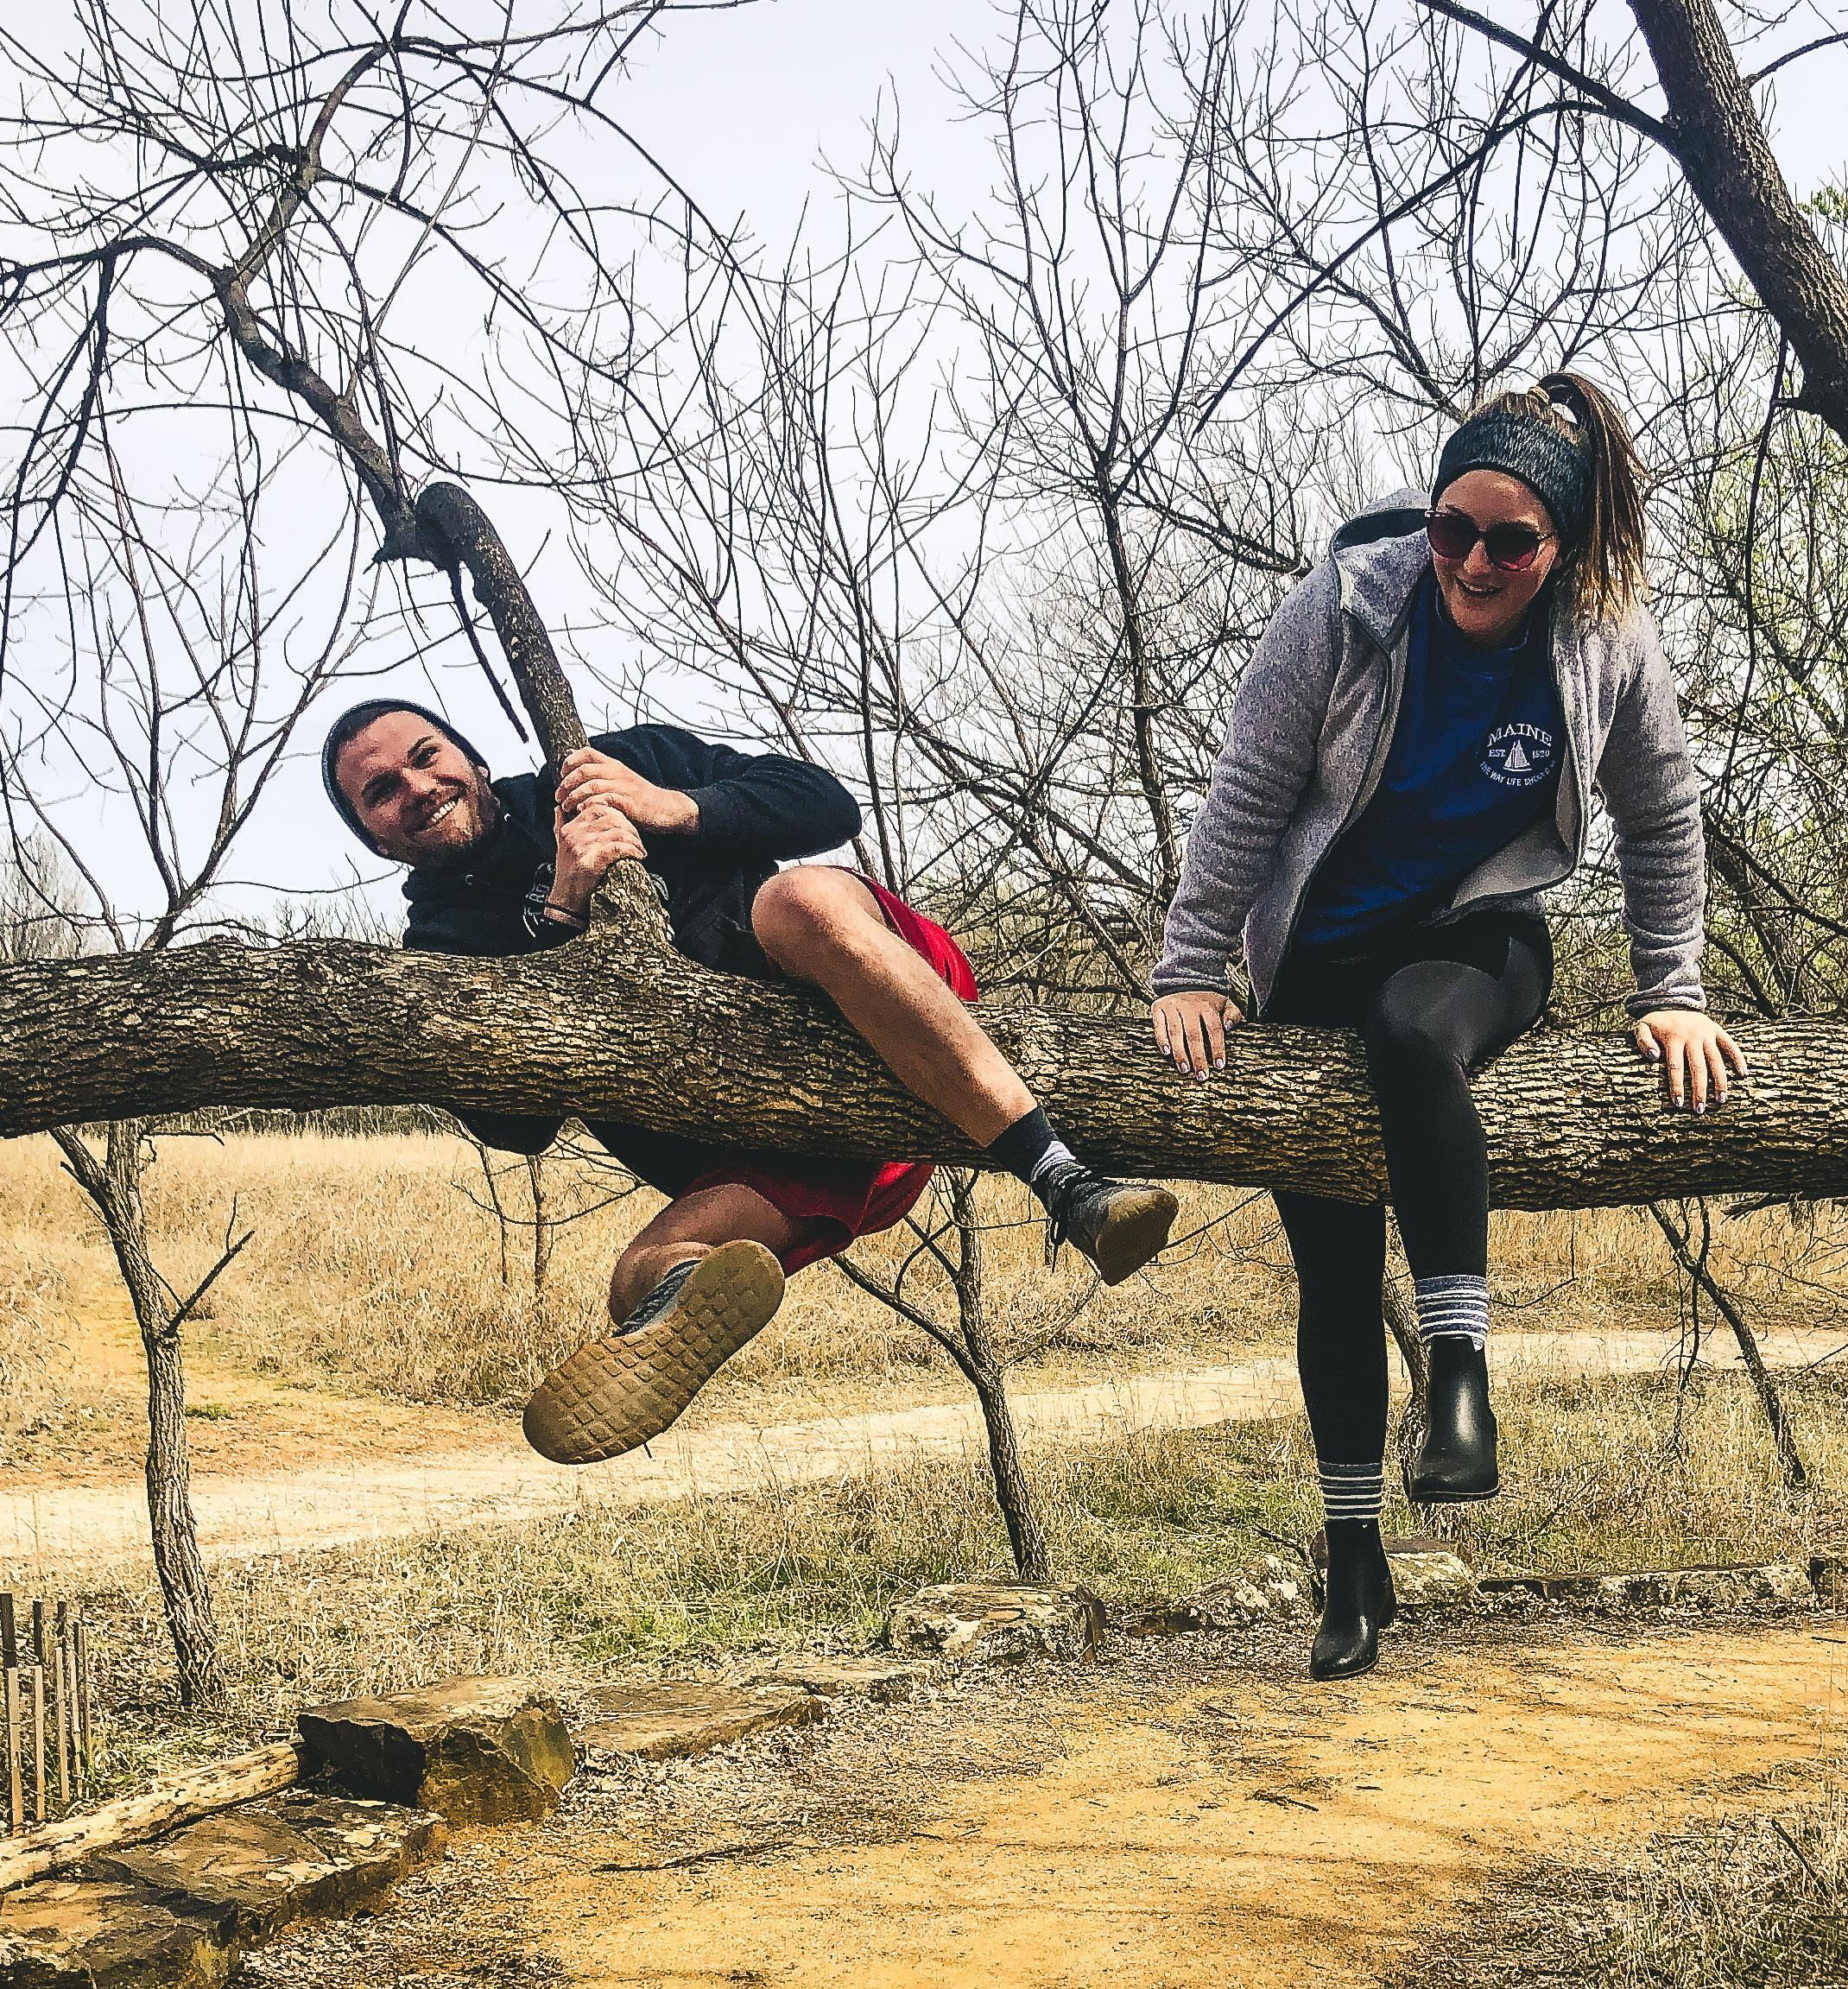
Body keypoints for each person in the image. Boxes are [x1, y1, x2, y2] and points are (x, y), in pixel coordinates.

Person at [1149, 372, 1745, 1681]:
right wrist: (1191, 967)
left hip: (1473, 939)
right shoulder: (1351, 603)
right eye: (1449, 527)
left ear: (1564, 546)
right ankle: (1351, 1553)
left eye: (1508, 540)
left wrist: (1673, 993)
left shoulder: (1604, 642)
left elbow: (1661, 819)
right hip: (1315, 959)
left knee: (1418, 1040)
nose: (1471, 560)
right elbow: (1247, 780)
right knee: (1327, 1264)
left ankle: (1460, 1375)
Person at [325, 704, 1177, 1466]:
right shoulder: (438, 947)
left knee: (794, 900)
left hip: (889, 997)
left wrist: (672, 807)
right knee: (641, 1280)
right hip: (789, 1149)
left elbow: (822, 803)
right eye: (381, 792)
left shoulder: (602, 766)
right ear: (375, 838)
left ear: (470, 757)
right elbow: (517, 1128)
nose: (416, 786)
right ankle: (694, 1288)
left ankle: (1066, 1182)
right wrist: (561, 914)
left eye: (426, 755)